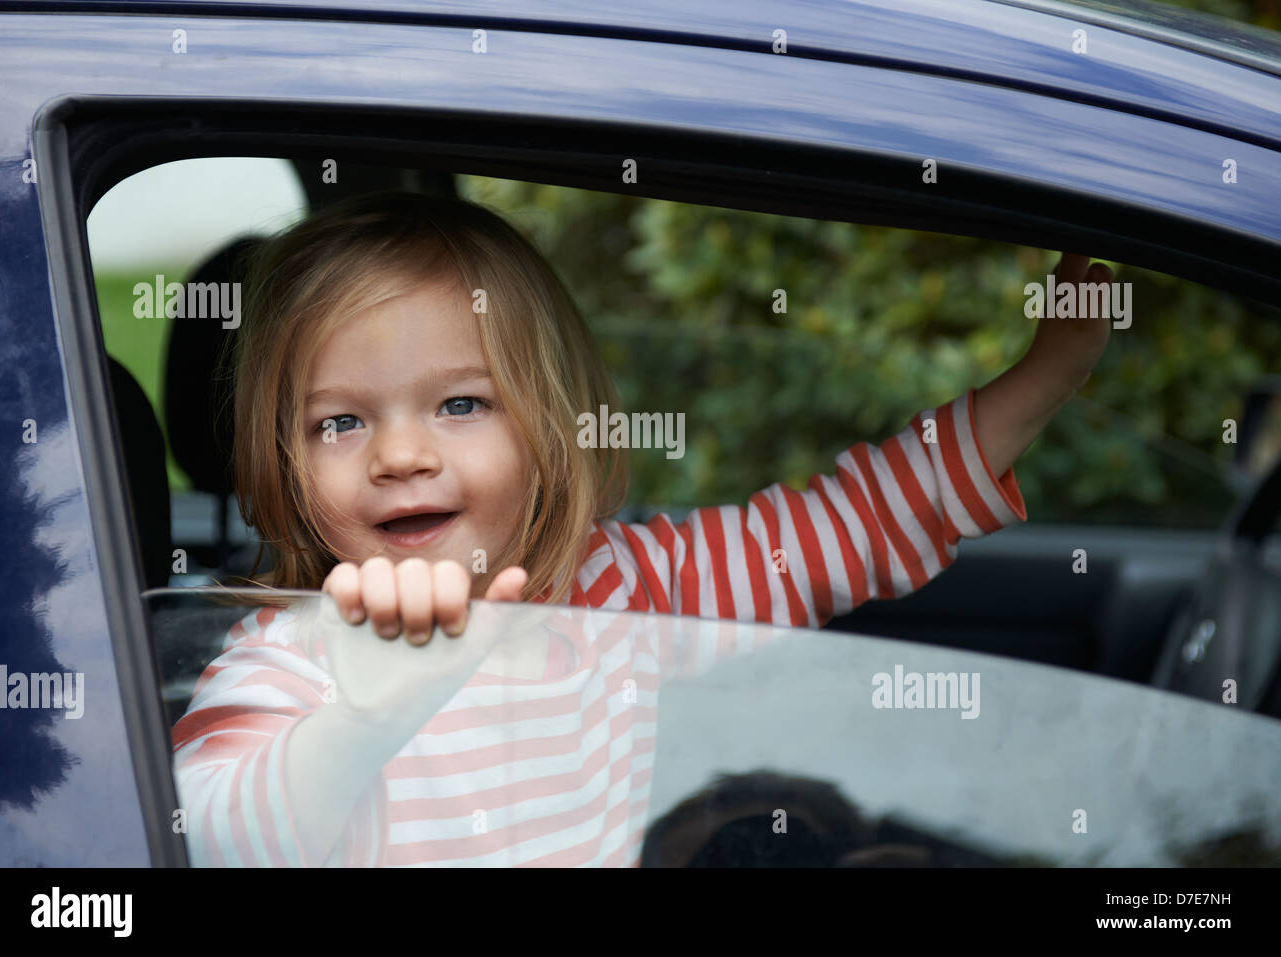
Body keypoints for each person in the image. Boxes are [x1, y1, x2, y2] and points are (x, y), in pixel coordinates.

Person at [171, 190, 1112, 866]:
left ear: (550, 424)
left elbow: (852, 525)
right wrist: (360, 718)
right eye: (341, 422)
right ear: (282, 465)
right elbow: (199, 835)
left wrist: (1046, 375)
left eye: (461, 404)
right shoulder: (291, 655)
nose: (400, 454)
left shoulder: (621, 588)